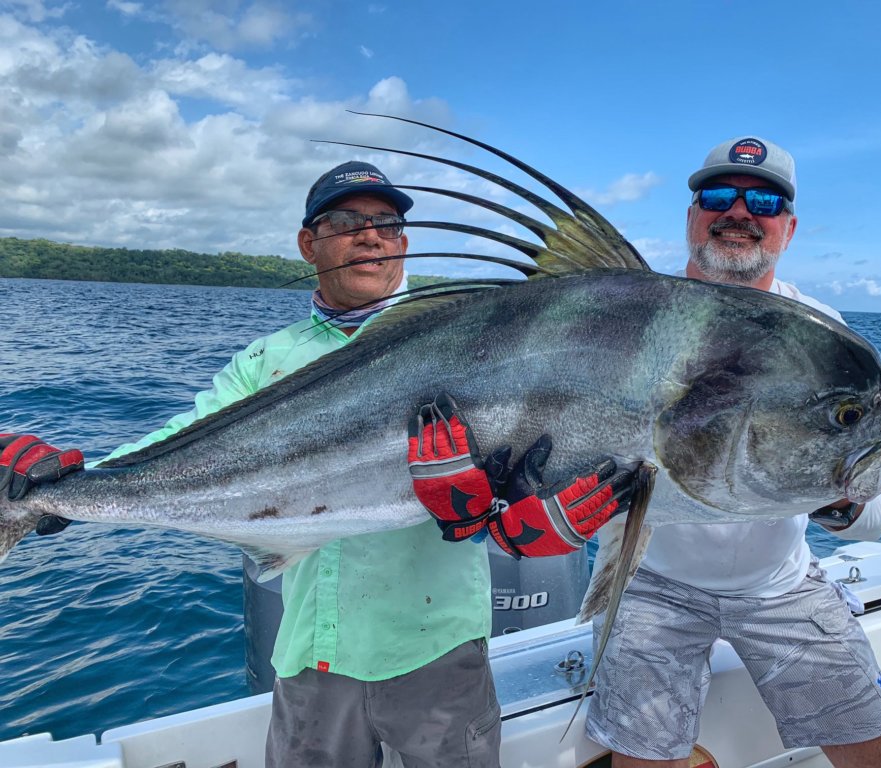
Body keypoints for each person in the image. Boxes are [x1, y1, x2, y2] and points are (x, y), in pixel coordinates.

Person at [3, 159, 632, 768]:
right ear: (309, 244)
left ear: (405, 244)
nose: (370, 237)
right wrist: (62, 487)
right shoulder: (268, 358)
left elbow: (525, 460)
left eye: (387, 225)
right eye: (346, 222)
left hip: (436, 649)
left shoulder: (466, 338)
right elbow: (185, 439)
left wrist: (515, 516)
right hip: (310, 651)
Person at [582, 137, 881, 768]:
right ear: (690, 217)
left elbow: (876, 517)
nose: (739, 210)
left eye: (763, 199)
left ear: (787, 228)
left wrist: (838, 497)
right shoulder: (627, 318)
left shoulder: (821, 332)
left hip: (781, 584)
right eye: (717, 195)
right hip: (649, 581)